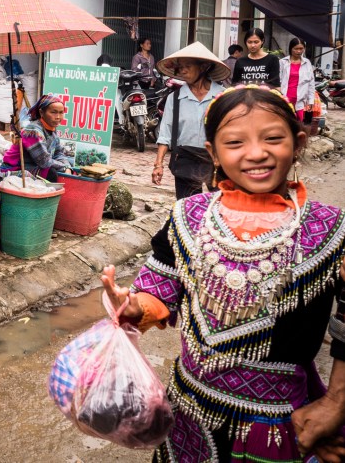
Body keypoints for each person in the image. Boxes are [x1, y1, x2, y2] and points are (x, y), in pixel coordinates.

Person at [101, 84, 345, 463]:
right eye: (234, 143)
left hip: (283, 422)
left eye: (273, 138)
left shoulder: (332, 229)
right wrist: (135, 307)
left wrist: (336, 403)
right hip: (188, 416)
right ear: (213, 152)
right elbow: (162, 285)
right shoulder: (189, 216)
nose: (256, 153)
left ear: (298, 143)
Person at [153, 42, 230, 199]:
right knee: (187, 208)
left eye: (187, 65)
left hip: (216, 160)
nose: (182, 70)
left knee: (222, 206)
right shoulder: (174, 98)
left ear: (203, 67)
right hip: (185, 159)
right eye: (180, 67)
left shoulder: (223, 97)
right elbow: (165, 133)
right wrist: (158, 165)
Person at [1, 93, 74, 180]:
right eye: (53, 112)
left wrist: (67, 166)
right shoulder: (33, 131)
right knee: (51, 173)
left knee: (70, 165)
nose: (58, 117)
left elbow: (59, 153)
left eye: (61, 112)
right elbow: (44, 161)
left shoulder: (52, 129)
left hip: (34, 166)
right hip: (16, 169)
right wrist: (64, 167)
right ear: (41, 112)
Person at [279, 37, 315, 124]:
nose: (299, 51)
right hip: (285, 99)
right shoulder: (283, 62)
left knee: (298, 124)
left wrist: (310, 101)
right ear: (291, 49)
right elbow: (278, 80)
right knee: (285, 123)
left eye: (301, 48)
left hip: (300, 100)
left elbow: (311, 83)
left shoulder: (307, 63)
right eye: (296, 49)